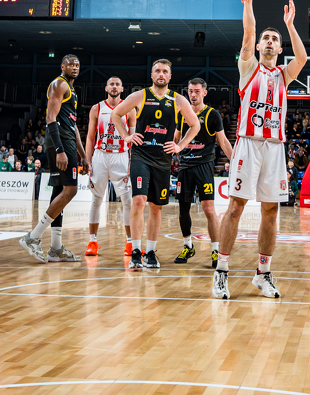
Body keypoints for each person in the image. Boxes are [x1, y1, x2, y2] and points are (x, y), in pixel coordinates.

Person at [212, 0, 307, 301]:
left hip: (275, 147)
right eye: (266, 38)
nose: (268, 41)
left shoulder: (283, 76)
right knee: (235, 208)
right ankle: (221, 272)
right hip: (248, 144)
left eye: (274, 39)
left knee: (271, 211)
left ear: (279, 48)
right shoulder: (249, 68)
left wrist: (290, 25)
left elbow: (303, 58)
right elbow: (248, 33)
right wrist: (249, 3)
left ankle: (263, 273)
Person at [111, 59, 200, 270]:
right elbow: (116, 114)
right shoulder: (140, 96)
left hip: (163, 159)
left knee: (156, 206)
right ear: (151, 75)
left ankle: (150, 252)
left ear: (170, 76)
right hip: (141, 155)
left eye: (165, 71)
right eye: (157, 71)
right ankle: (136, 251)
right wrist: (126, 136)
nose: (161, 74)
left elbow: (195, 125)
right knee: (139, 200)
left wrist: (180, 146)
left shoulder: (178, 100)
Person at [20, 54, 88, 264]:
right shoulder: (59, 84)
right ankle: (33, 237)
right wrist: (60, 150)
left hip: (67, 141)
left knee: (60, 190)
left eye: (77, 65)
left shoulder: (72, 90)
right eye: (70, 64)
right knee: (71, 190)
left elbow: (73, 126)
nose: (74, 67)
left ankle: (56, 248)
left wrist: (84, 155)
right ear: (62, 66)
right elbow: (50, 117)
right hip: (60, 143)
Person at [174, 77, 233, 268]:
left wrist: (236, 162)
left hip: (204, 165)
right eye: (190, 91)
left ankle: (216, 250)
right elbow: (175, 138)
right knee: (183, 209)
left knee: (208, 209)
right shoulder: (182, 114)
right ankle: (188, 246)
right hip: (185, 166)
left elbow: (223, 142)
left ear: (204, 93)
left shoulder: (212, 114)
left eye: (197, 91)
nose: (193, 94)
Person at [84, 76, 137, 258]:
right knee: (96, 200)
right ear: (106, 88)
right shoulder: (96, 108)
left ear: (122, 89)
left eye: (117, 85)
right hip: (100, 155)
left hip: (121, 155)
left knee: (128, 201)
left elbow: (133, 138)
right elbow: (90, 137)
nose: (114, 87)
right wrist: (88, 160)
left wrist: (132, 161)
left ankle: (130, 243)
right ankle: (92, 242)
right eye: (111, 84)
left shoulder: (130, 109)